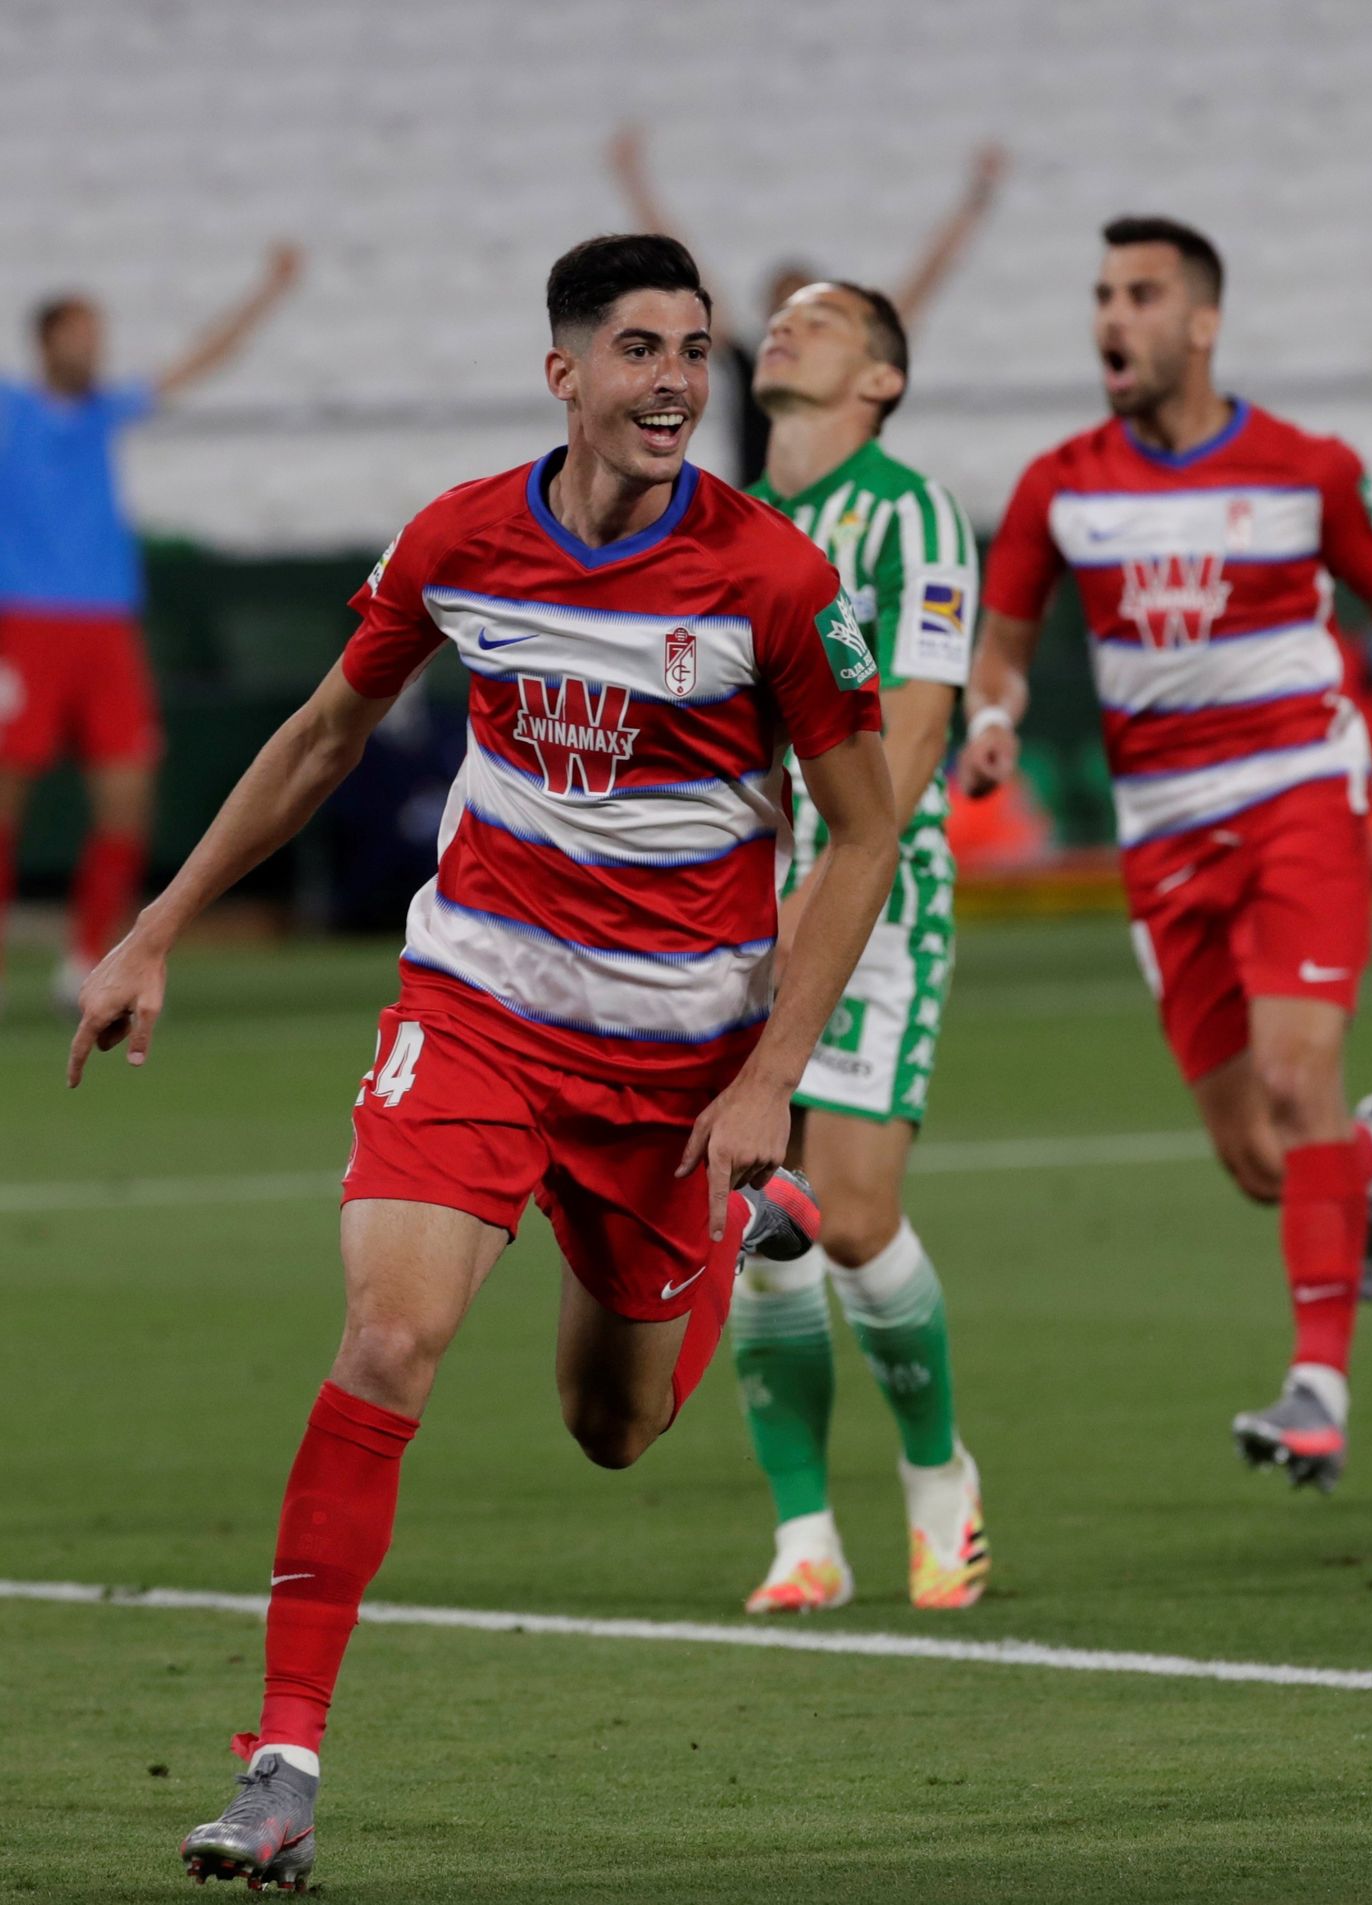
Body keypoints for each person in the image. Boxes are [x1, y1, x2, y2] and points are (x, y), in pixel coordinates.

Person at [68, 233, 899, 1892]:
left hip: (680, 1068)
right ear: (566, 374)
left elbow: (866, 834)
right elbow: (321, 738)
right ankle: (284, 1764)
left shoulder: (772, 582)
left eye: (695, 350)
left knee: (615, 1426)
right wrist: (155, 927)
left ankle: (738, 1227)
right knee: (390, 1335)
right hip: (480, 1012)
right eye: (643, 349)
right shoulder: (462, 538)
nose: (677, 381)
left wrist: (768, 1076)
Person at [960, 216, 1372, 1494]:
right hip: (1163, 835)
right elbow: (1001, 642)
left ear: (1202, 323)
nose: (1114, 315)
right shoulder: (1060, 485)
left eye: (1143, 293)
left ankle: (1317, 1393)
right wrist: (993, 718)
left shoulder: (1305, 467)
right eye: (1103, 292)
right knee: (1262, 1160)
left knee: (1293, 1079)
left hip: (1297, 797)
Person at [736, 281, 987, 1614]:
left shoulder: (913, 511)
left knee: (854, 1211)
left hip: (880, 887)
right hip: (734, 892)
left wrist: (827, 886)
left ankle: (941, 1484)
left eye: (822, 320)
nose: (786, 326)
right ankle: (803, 1537)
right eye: (779, 316)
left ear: (881, 379)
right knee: (754, 1212)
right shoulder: (729, 524)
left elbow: (919, 724)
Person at [0, 244, 303, 1012]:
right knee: (7, 801)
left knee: (128, 800)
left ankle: (83, 958)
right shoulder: (12, 413)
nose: (95, 346)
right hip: (28, 628)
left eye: (98, 333)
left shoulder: (107, 410)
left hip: (108, 631)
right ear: (47, 341)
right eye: (81, 333)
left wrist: (265, 290)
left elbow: (199, 360)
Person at [605, 126, 1010, 484]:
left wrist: (976, 199)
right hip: (763, 517)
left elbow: (924, 282)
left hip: (837, 514)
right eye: (784, 308)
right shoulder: (749, 361)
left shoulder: (850, 361)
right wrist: (634, 182)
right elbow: (681, 270)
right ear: (768, 317)